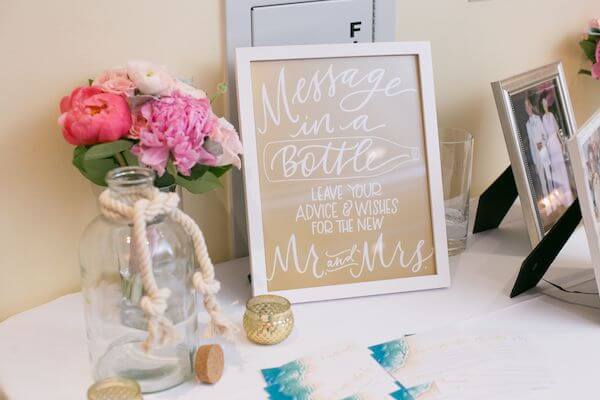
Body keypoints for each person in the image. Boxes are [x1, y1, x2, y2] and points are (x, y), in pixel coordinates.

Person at [541, 97, 573, 207]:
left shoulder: (551, 115)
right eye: (543, 103)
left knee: (562, 168)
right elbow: (544, 135)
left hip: (556, 143)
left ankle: (567, 192)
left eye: (545, 102)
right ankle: (561, 196)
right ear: (542, 105)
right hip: (550, 144)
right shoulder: (543, 118)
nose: (545, 104)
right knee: (556, 169)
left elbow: (557, 129)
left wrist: (562, 143)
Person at [525, 97, 554, 215]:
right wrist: (534, 160)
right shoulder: (527, 124)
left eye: (528, 106)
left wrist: (541, 143)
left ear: (531, 107)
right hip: (537, 156)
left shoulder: (538, 119)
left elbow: (545, 135)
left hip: (544, 152)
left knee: (549, 178)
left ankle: (554, 202)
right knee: (542, 181)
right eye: (525, 107)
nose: (527, 108)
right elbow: (531, 145)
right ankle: (548, 207)